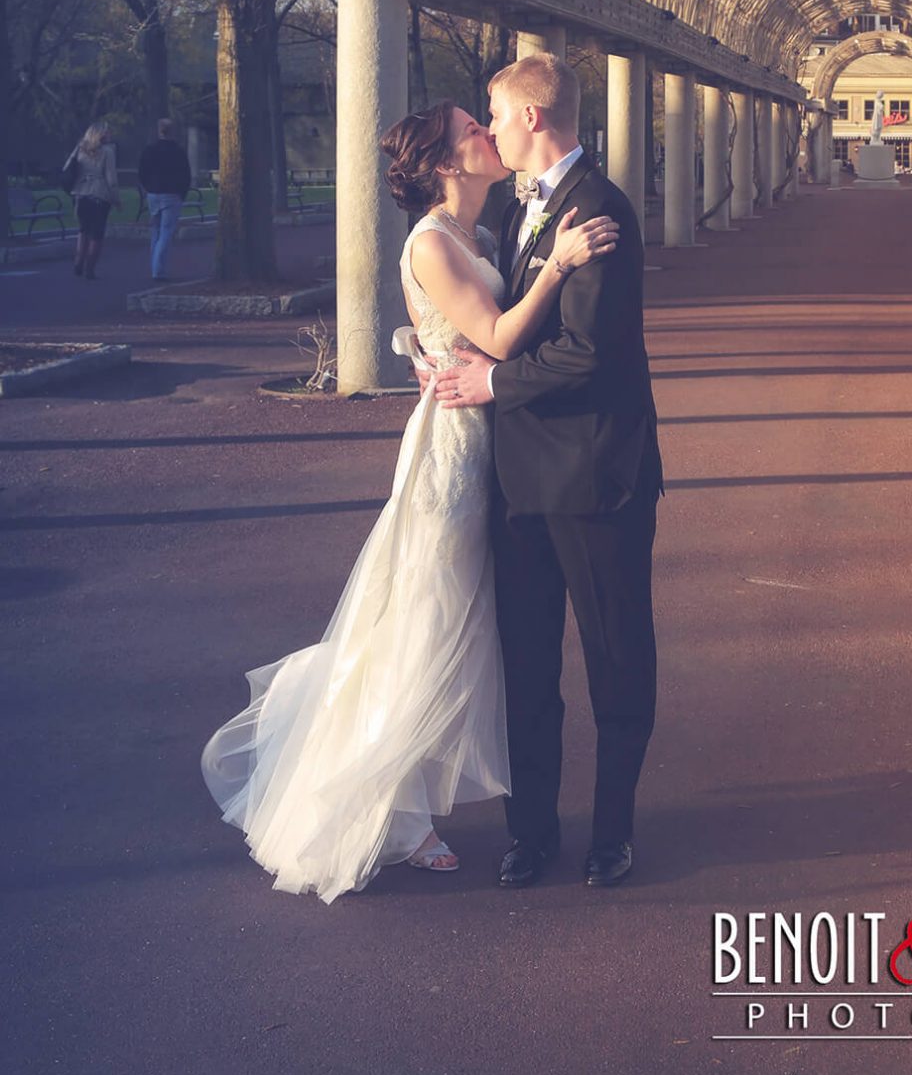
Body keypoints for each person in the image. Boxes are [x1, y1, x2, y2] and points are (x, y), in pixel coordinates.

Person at [200, 100, 619, 902]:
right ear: (443, 164)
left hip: (495, 437)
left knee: (468, 621)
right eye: (472, 130)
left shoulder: (484, 234)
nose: (488, 136)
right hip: (455, 454)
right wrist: (562, 264)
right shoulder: (431, 242)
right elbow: (497, 337)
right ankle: (389, 807)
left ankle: (419, 792)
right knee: (426, 614)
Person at [435, 53, 663, 891]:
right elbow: (502, 320)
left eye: (495, 114)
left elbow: (587, 352)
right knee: (527, 667)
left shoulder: (599, 209)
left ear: (532, 118)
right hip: (519, 482)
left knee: (615, 661)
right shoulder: (514, 211)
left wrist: (490, 381)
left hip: (597, 476)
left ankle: (612, 834)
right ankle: (530, 834)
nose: (489, 129)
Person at [137, 118, 192, 282]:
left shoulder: (149, 150)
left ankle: (155, 265)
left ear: (159, 131)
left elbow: (142, 172)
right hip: (172, 194)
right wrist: (182, 194)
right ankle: (158, 270)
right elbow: (186, 175)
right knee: (167, 232)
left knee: (156, 231)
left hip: (153, 194)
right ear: (172, 131)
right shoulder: (179, 152)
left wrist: (148, 188)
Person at [65, 120, 119, 280]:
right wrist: (116, 199)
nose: (110, 134)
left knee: (83, 229)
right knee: (97, 234)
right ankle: (90, 267)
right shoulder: (108, 151)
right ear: (101, 134)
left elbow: (68, 166)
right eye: (108, 131)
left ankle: (78, 260)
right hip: (99, 195)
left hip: (80, 194)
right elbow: (111, 178)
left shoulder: (79, 148)